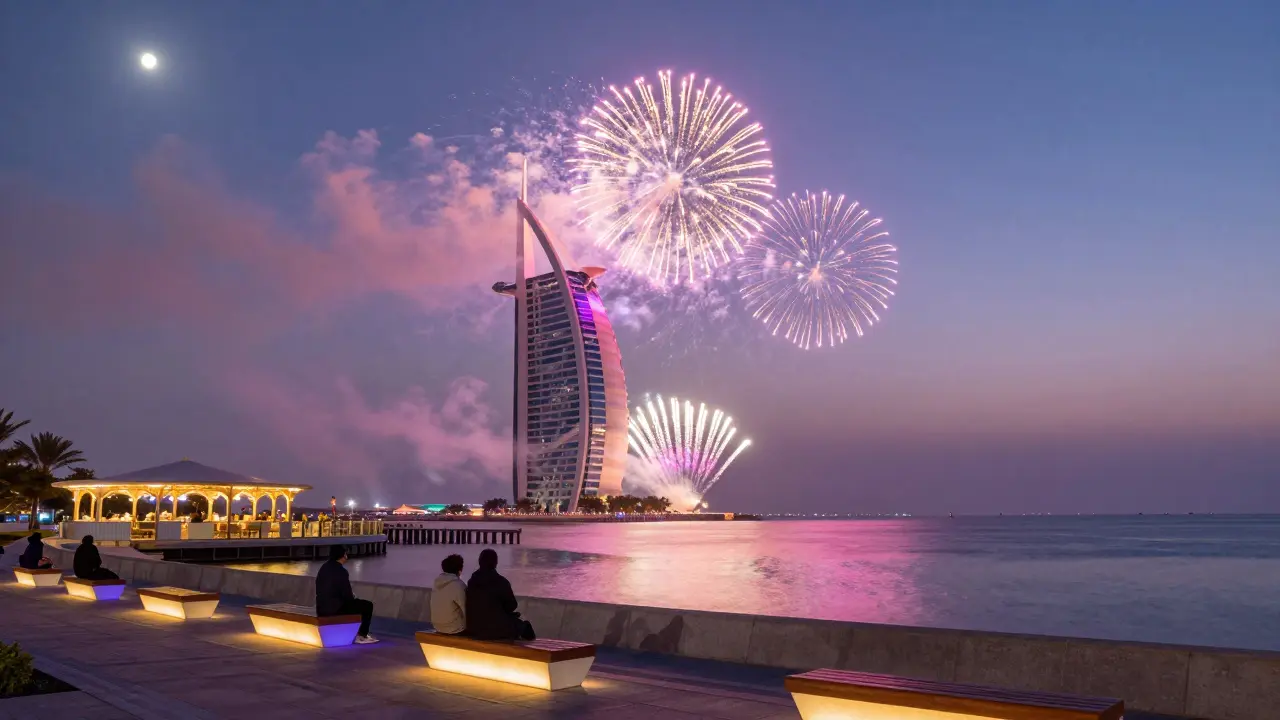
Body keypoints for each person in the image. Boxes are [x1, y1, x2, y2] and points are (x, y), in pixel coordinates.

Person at [466, 548, 535, 641]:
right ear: (496, 563)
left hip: (474, 627)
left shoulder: (471, 582)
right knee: (525, 627)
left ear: (479, 562)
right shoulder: (501, 582)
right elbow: (512, 605)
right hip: (496, 629)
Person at [315, 545, 377, 644]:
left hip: (321, 608)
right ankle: (362, 635)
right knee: (367, 606)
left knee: (356, 604)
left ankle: (359, 634)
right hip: (335, 609)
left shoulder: (324, 568)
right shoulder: (341, 571)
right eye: (345, 554)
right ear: (343, 555)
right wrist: (354, 599)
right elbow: (347, 596)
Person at [430, 554, 467, 635]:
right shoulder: (458, 585)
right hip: (454, 628)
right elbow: (466, 609)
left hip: (437, 626)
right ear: (459, 569)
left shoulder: (437, 583)